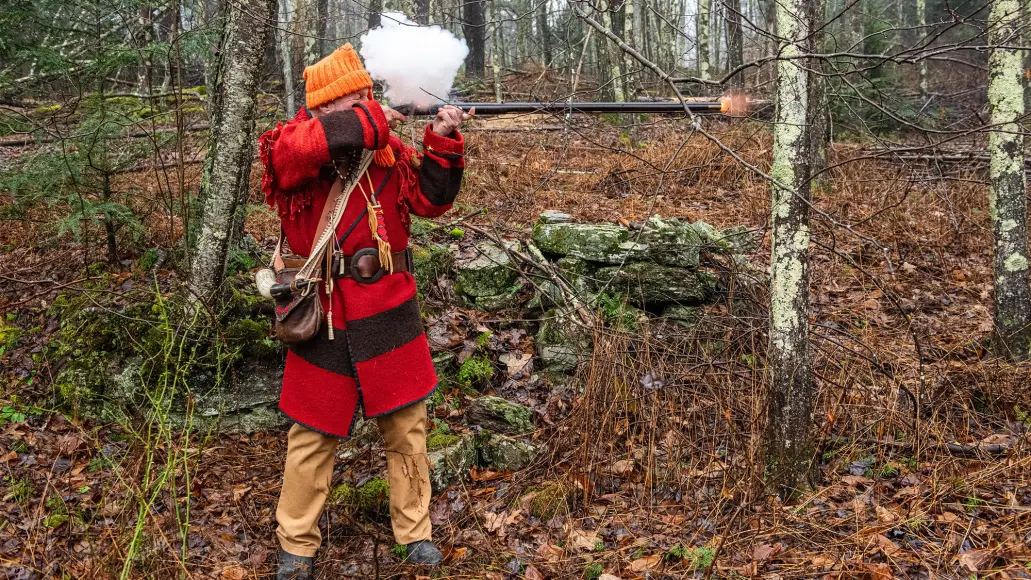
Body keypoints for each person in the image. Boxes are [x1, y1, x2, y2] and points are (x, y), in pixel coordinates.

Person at [257, 43, 473, 579]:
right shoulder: (291, 145)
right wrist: (371, 117)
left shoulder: (386, 152)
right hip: (324, 311)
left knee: (407, 427)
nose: (367, 104)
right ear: (324, 108)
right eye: (353, 99)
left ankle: (415, 534)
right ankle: (295, 546)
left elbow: (431, 203)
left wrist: (442, 138)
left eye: (368, 96)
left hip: (389, 307)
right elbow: (310, 148)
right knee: (312, 434)